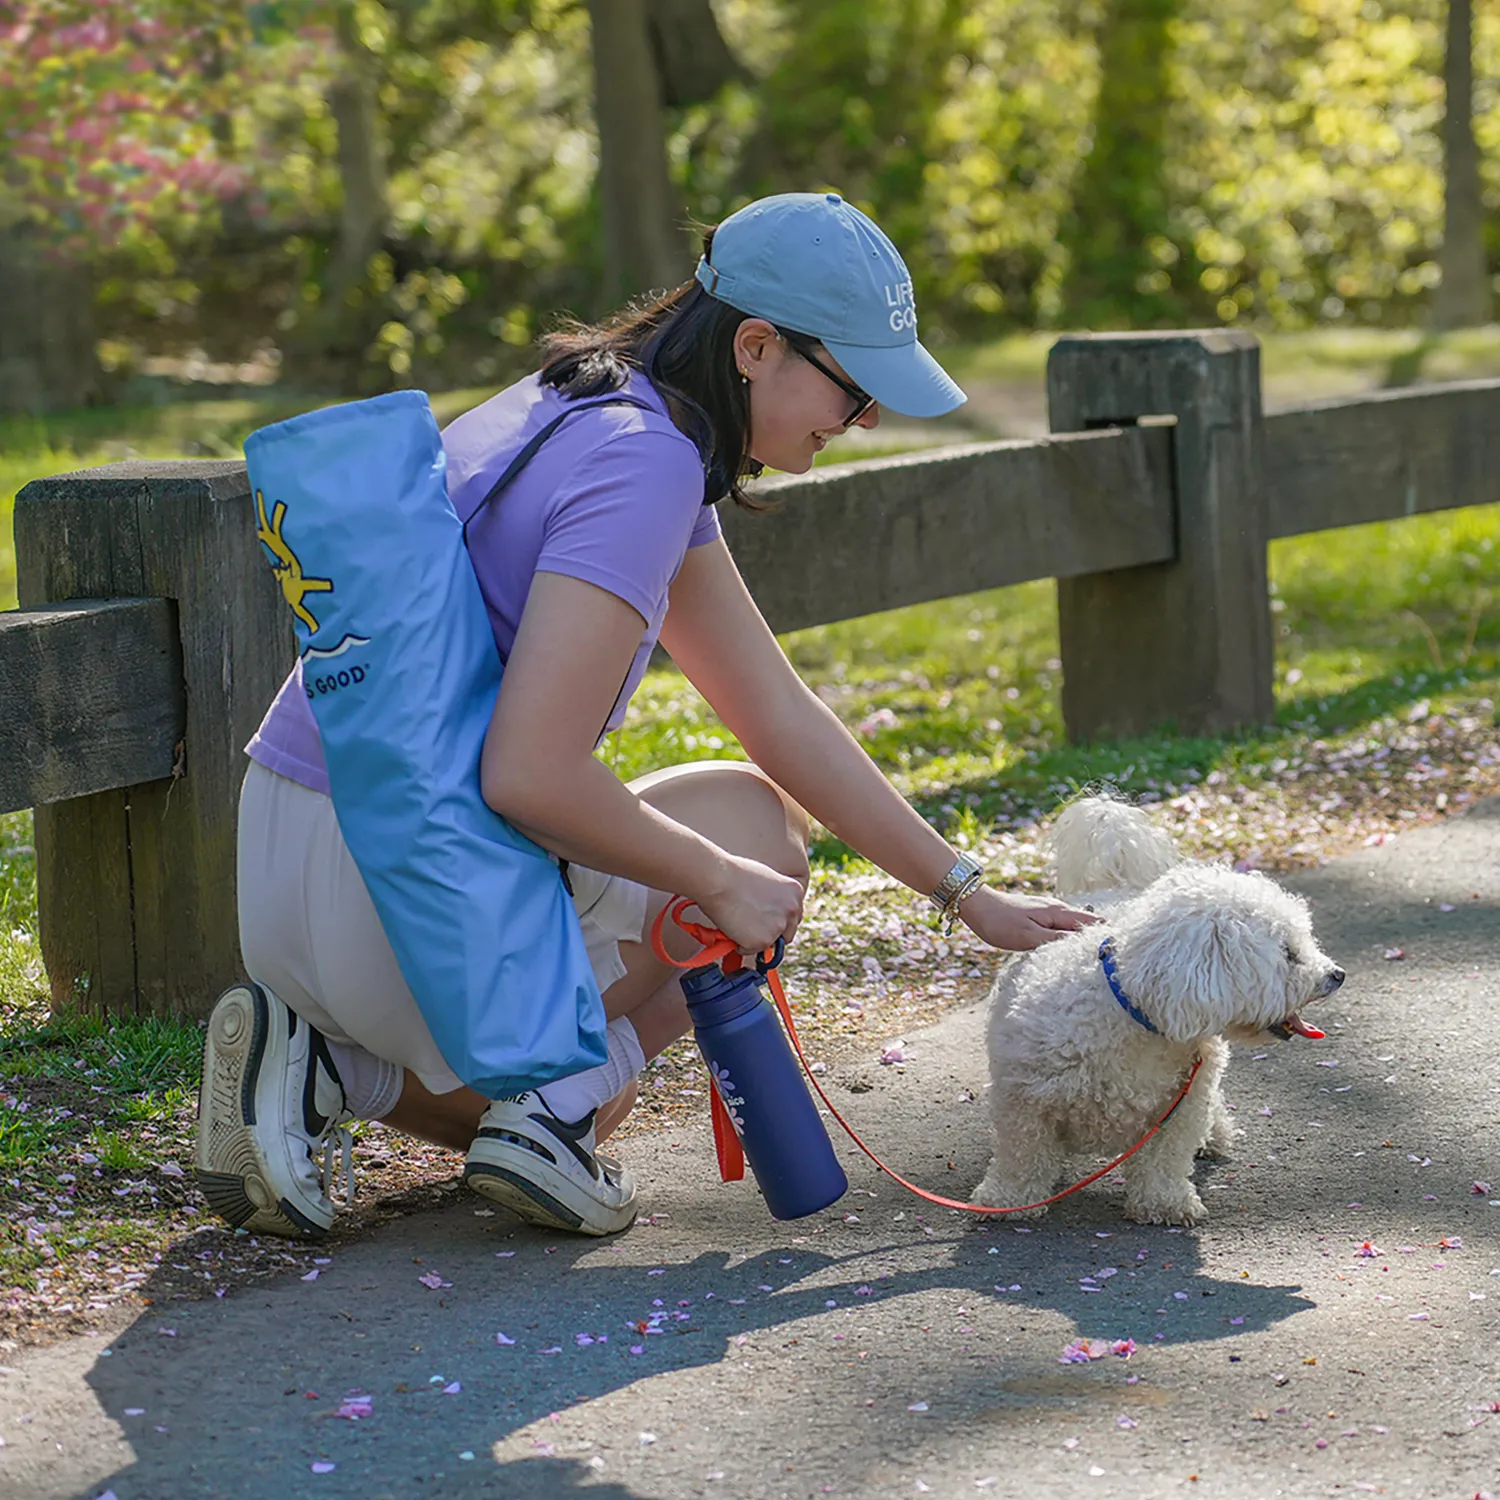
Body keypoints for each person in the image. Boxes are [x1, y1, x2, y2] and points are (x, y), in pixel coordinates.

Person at [195, 190, 1098, 1242]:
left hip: (295, 849)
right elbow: (529, 776)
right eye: (853, 393)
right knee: (753, 845)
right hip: (393, 889)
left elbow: (775, 710)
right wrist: (716, 878)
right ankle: (548, 1112)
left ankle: (318, 1066)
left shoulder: (584, 405)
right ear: (756, 346)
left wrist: (965, 892)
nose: (865, 423)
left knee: (738, 814)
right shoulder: (647, 462)